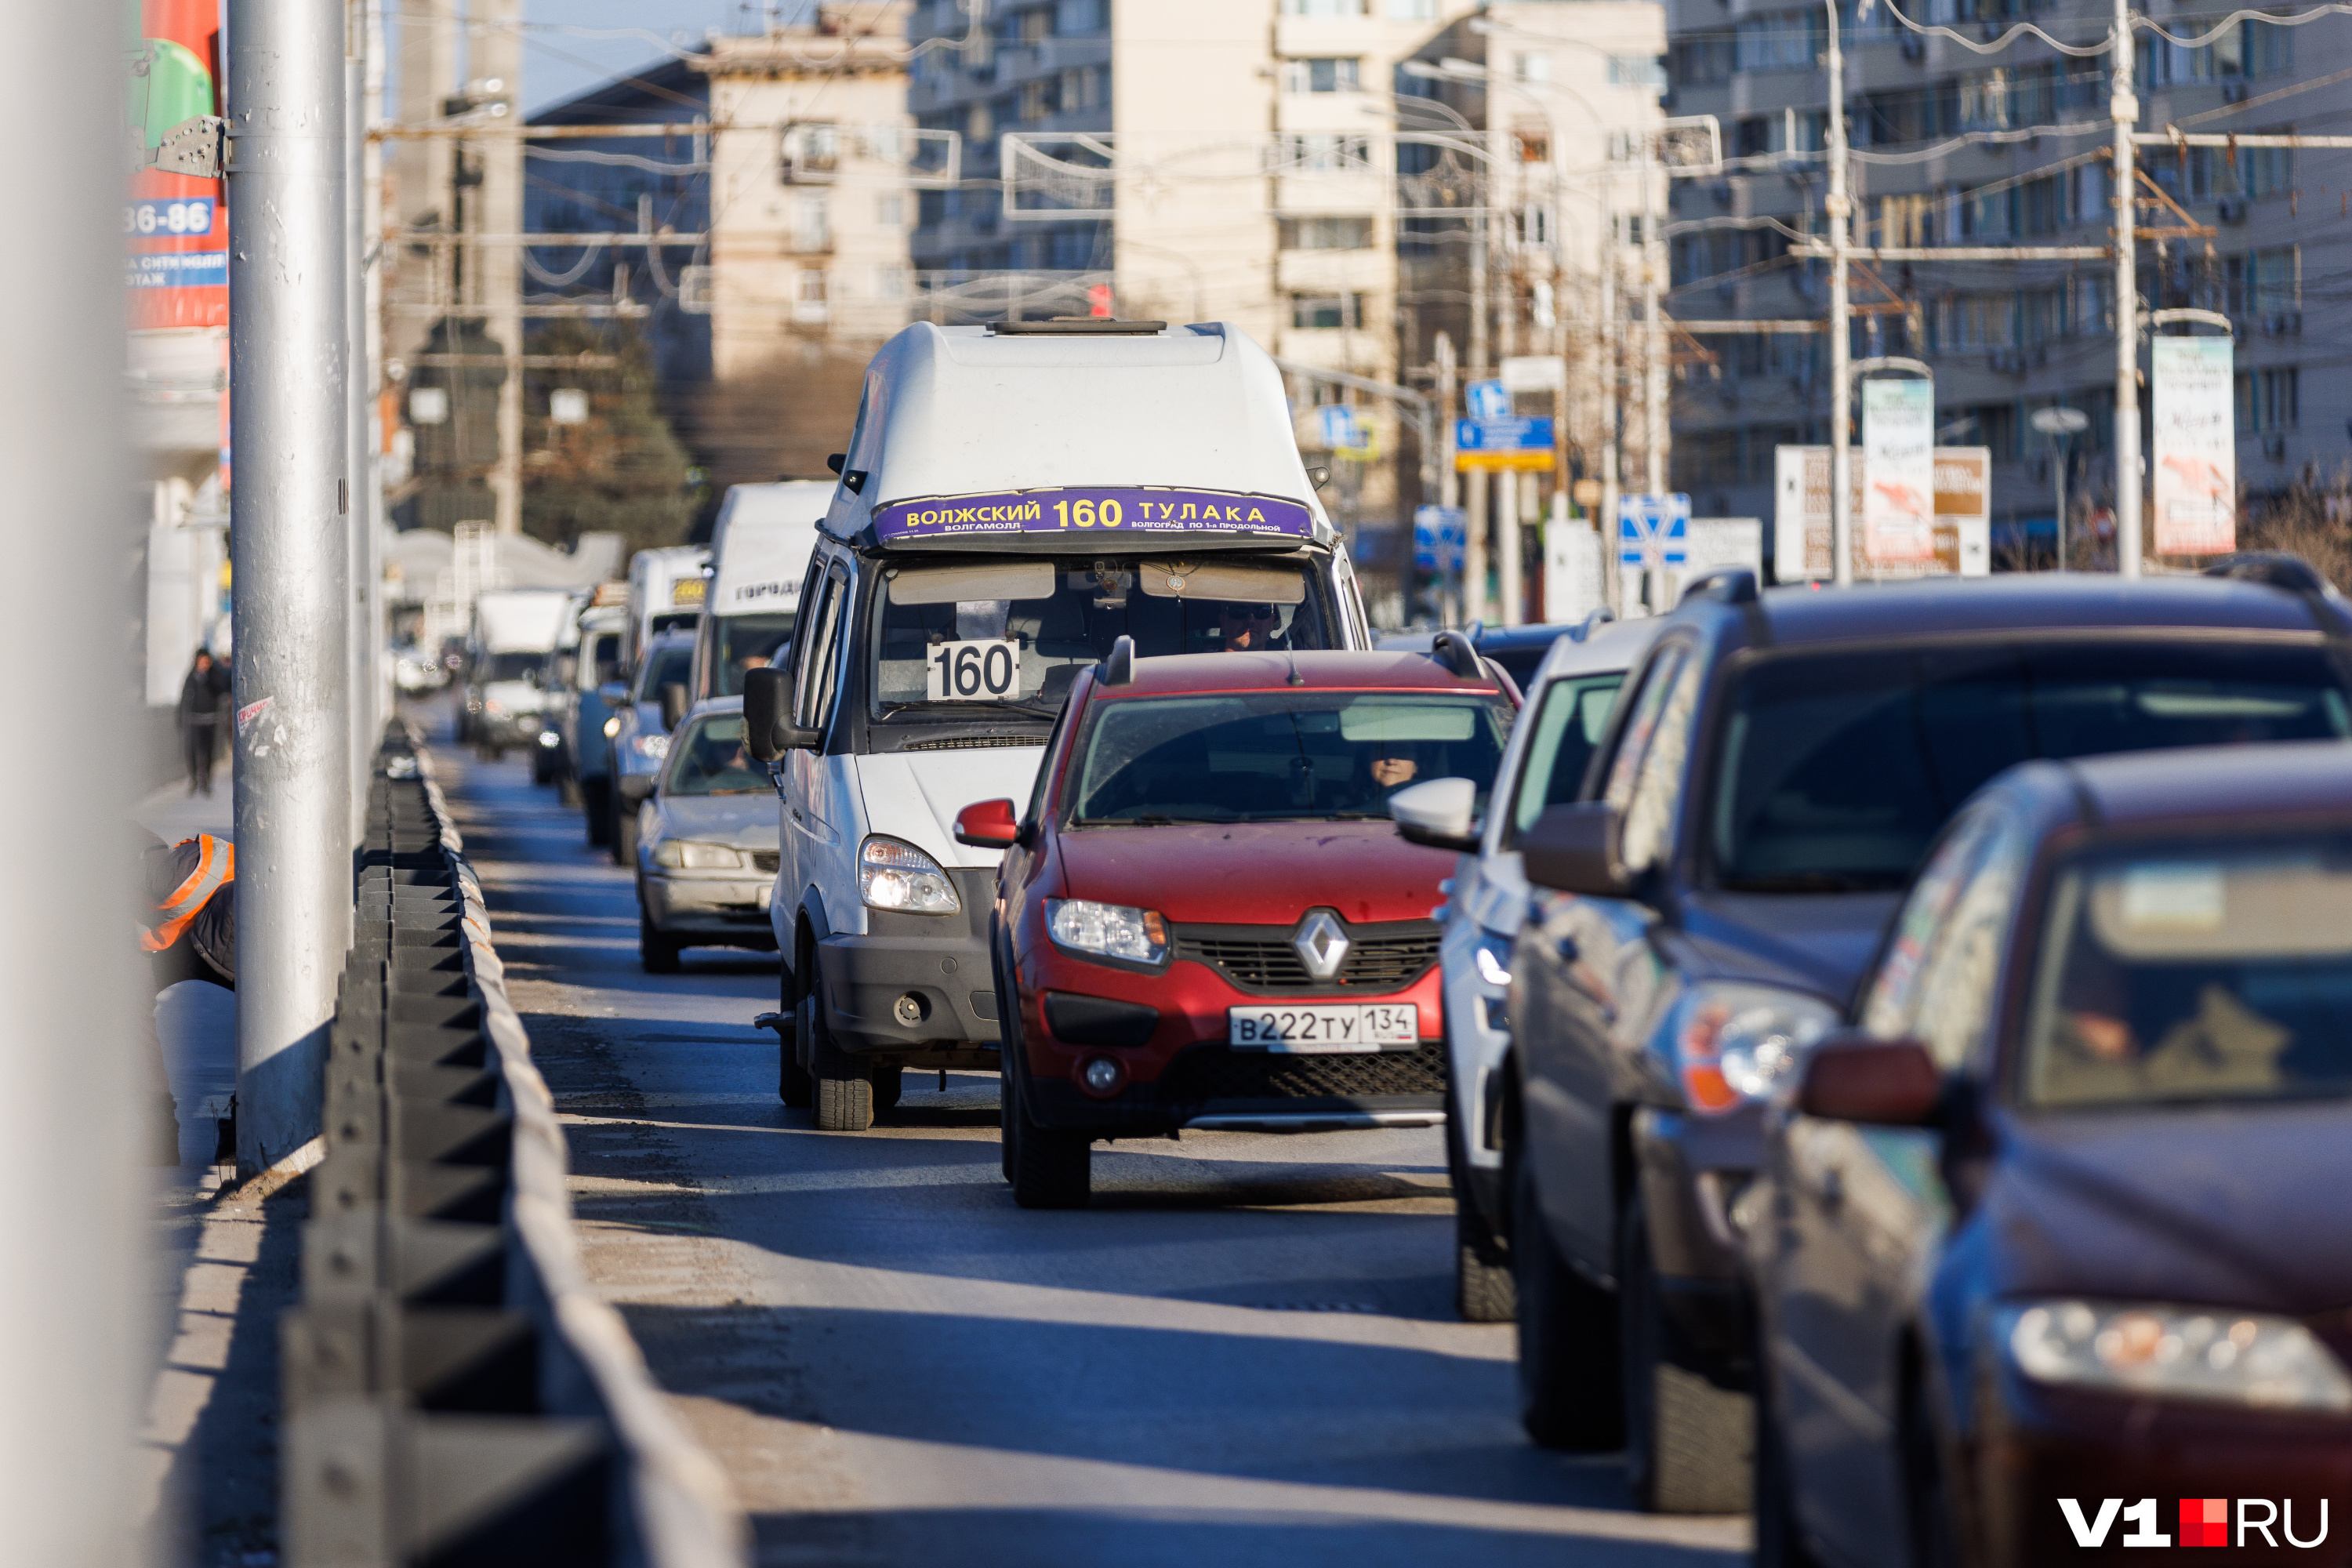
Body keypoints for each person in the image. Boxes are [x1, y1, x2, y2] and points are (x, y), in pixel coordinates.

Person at [138, 829, 237, 1165]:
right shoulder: (157, 872)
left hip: (218, 925)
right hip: (190, 930)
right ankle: (157, 1136)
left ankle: (244, 1135)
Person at [178, 648, 229, 796]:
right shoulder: (191, 677)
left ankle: (206, 783)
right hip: (194, 721)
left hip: (210, 721)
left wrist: (210, 677)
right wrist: (180, 717)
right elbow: (184, 698)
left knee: (208, 753)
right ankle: (194, 780)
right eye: (201, 661)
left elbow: (221, 690)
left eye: (206, 661)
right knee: (193, 752)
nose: (204, 664)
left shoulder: (214, 676)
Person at [1216, 601, 1283, 652]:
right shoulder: (1207, 665)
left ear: (1272, 622)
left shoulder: (1289, 666)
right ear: (1223, 621)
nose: (1250, 620)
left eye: (1261, 611)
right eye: (1239, 611)